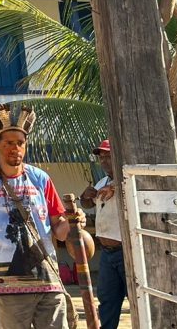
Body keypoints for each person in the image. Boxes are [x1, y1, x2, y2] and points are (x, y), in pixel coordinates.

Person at [0, 104, 81, 329]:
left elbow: (58, 226)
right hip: (8, 280)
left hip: (48, 277)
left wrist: (73, 223)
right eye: (9, 143)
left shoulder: (40, 178)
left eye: (20, 143)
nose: (16, 148)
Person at [80, 139, 126, 329]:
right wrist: (85, 196)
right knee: (107, 301)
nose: (105, 161)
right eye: (102, 157)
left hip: (126, 252)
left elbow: (133, 187)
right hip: (107, 253)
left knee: (138, 298)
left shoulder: (128, 179)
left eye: (109, 156)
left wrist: (116, 188)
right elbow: (87, 204)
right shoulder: (102, 181)